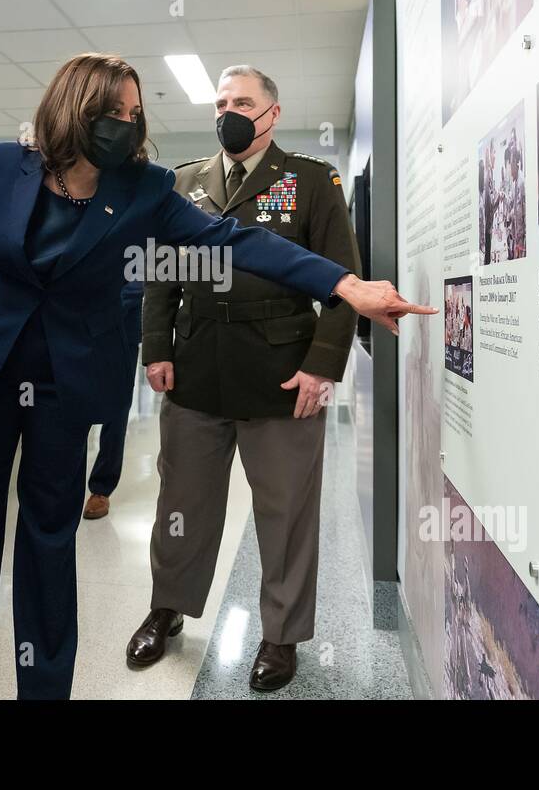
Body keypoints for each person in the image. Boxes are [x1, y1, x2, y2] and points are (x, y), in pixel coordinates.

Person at [0, 53, 434, 700]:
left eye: (137, 115)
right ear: (76, 108)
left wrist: (345, 283)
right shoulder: (4, 164)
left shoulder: (144, 189)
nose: (131, 127)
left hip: (62, 388)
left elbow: (236, 241)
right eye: (117, 113)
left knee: (49, 545)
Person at [128, 65, 360, 692]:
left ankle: (281, 637)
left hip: (281, 373)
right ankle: (167, 607)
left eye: (243, 102)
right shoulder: (182, 183)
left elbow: (345, 280)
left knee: (284, 512)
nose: (229, 112)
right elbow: (160, 272)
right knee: (181, 502)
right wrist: (157, 346)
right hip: (197, 364)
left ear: (272, 113)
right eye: (221, 102)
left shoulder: (310, 181)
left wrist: (321, 365)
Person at [82, 278, 143, 520]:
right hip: (78, 321)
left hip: (122, 324)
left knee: (117, 408)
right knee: (76, 402)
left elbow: (139, 278)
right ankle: (65, 479)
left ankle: (101, 488)